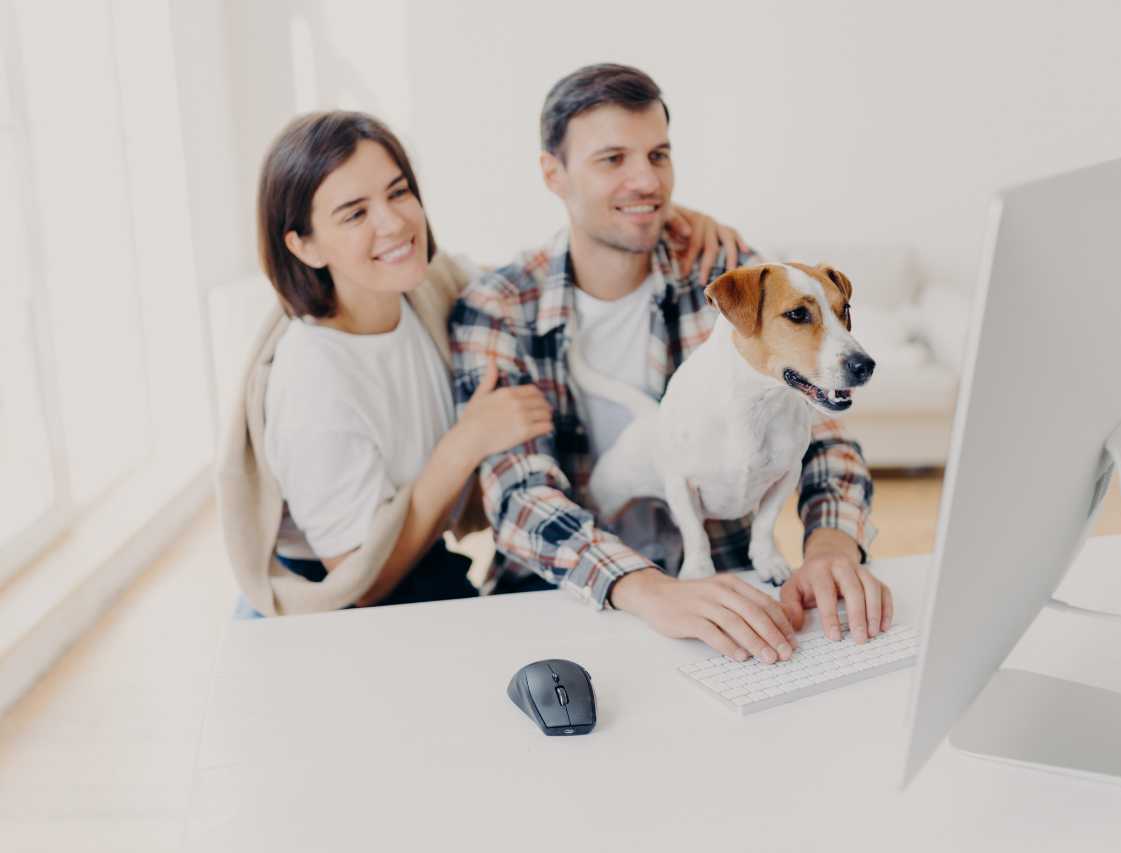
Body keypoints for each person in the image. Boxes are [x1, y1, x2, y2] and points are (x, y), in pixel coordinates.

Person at [215, 110, 743, 616]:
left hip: (424, 559)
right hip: (345, 593)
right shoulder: (313, 379)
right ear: (304, 246)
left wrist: (661, 219)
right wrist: (467, 443)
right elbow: (357, 580)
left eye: (398, 192)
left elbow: (532, 282)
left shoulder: (428, 286)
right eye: (354, 213)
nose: (394, 222)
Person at [451, 64, 890, 664]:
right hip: (560, 595)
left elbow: (820, 422)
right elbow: (519, 497)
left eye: (658, 154)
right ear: (553, 174)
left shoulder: (725, 264)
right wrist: (646, 589)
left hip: (728, 589)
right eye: (612, 159)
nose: (646, 180)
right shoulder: (498, 308)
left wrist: (831, 545)